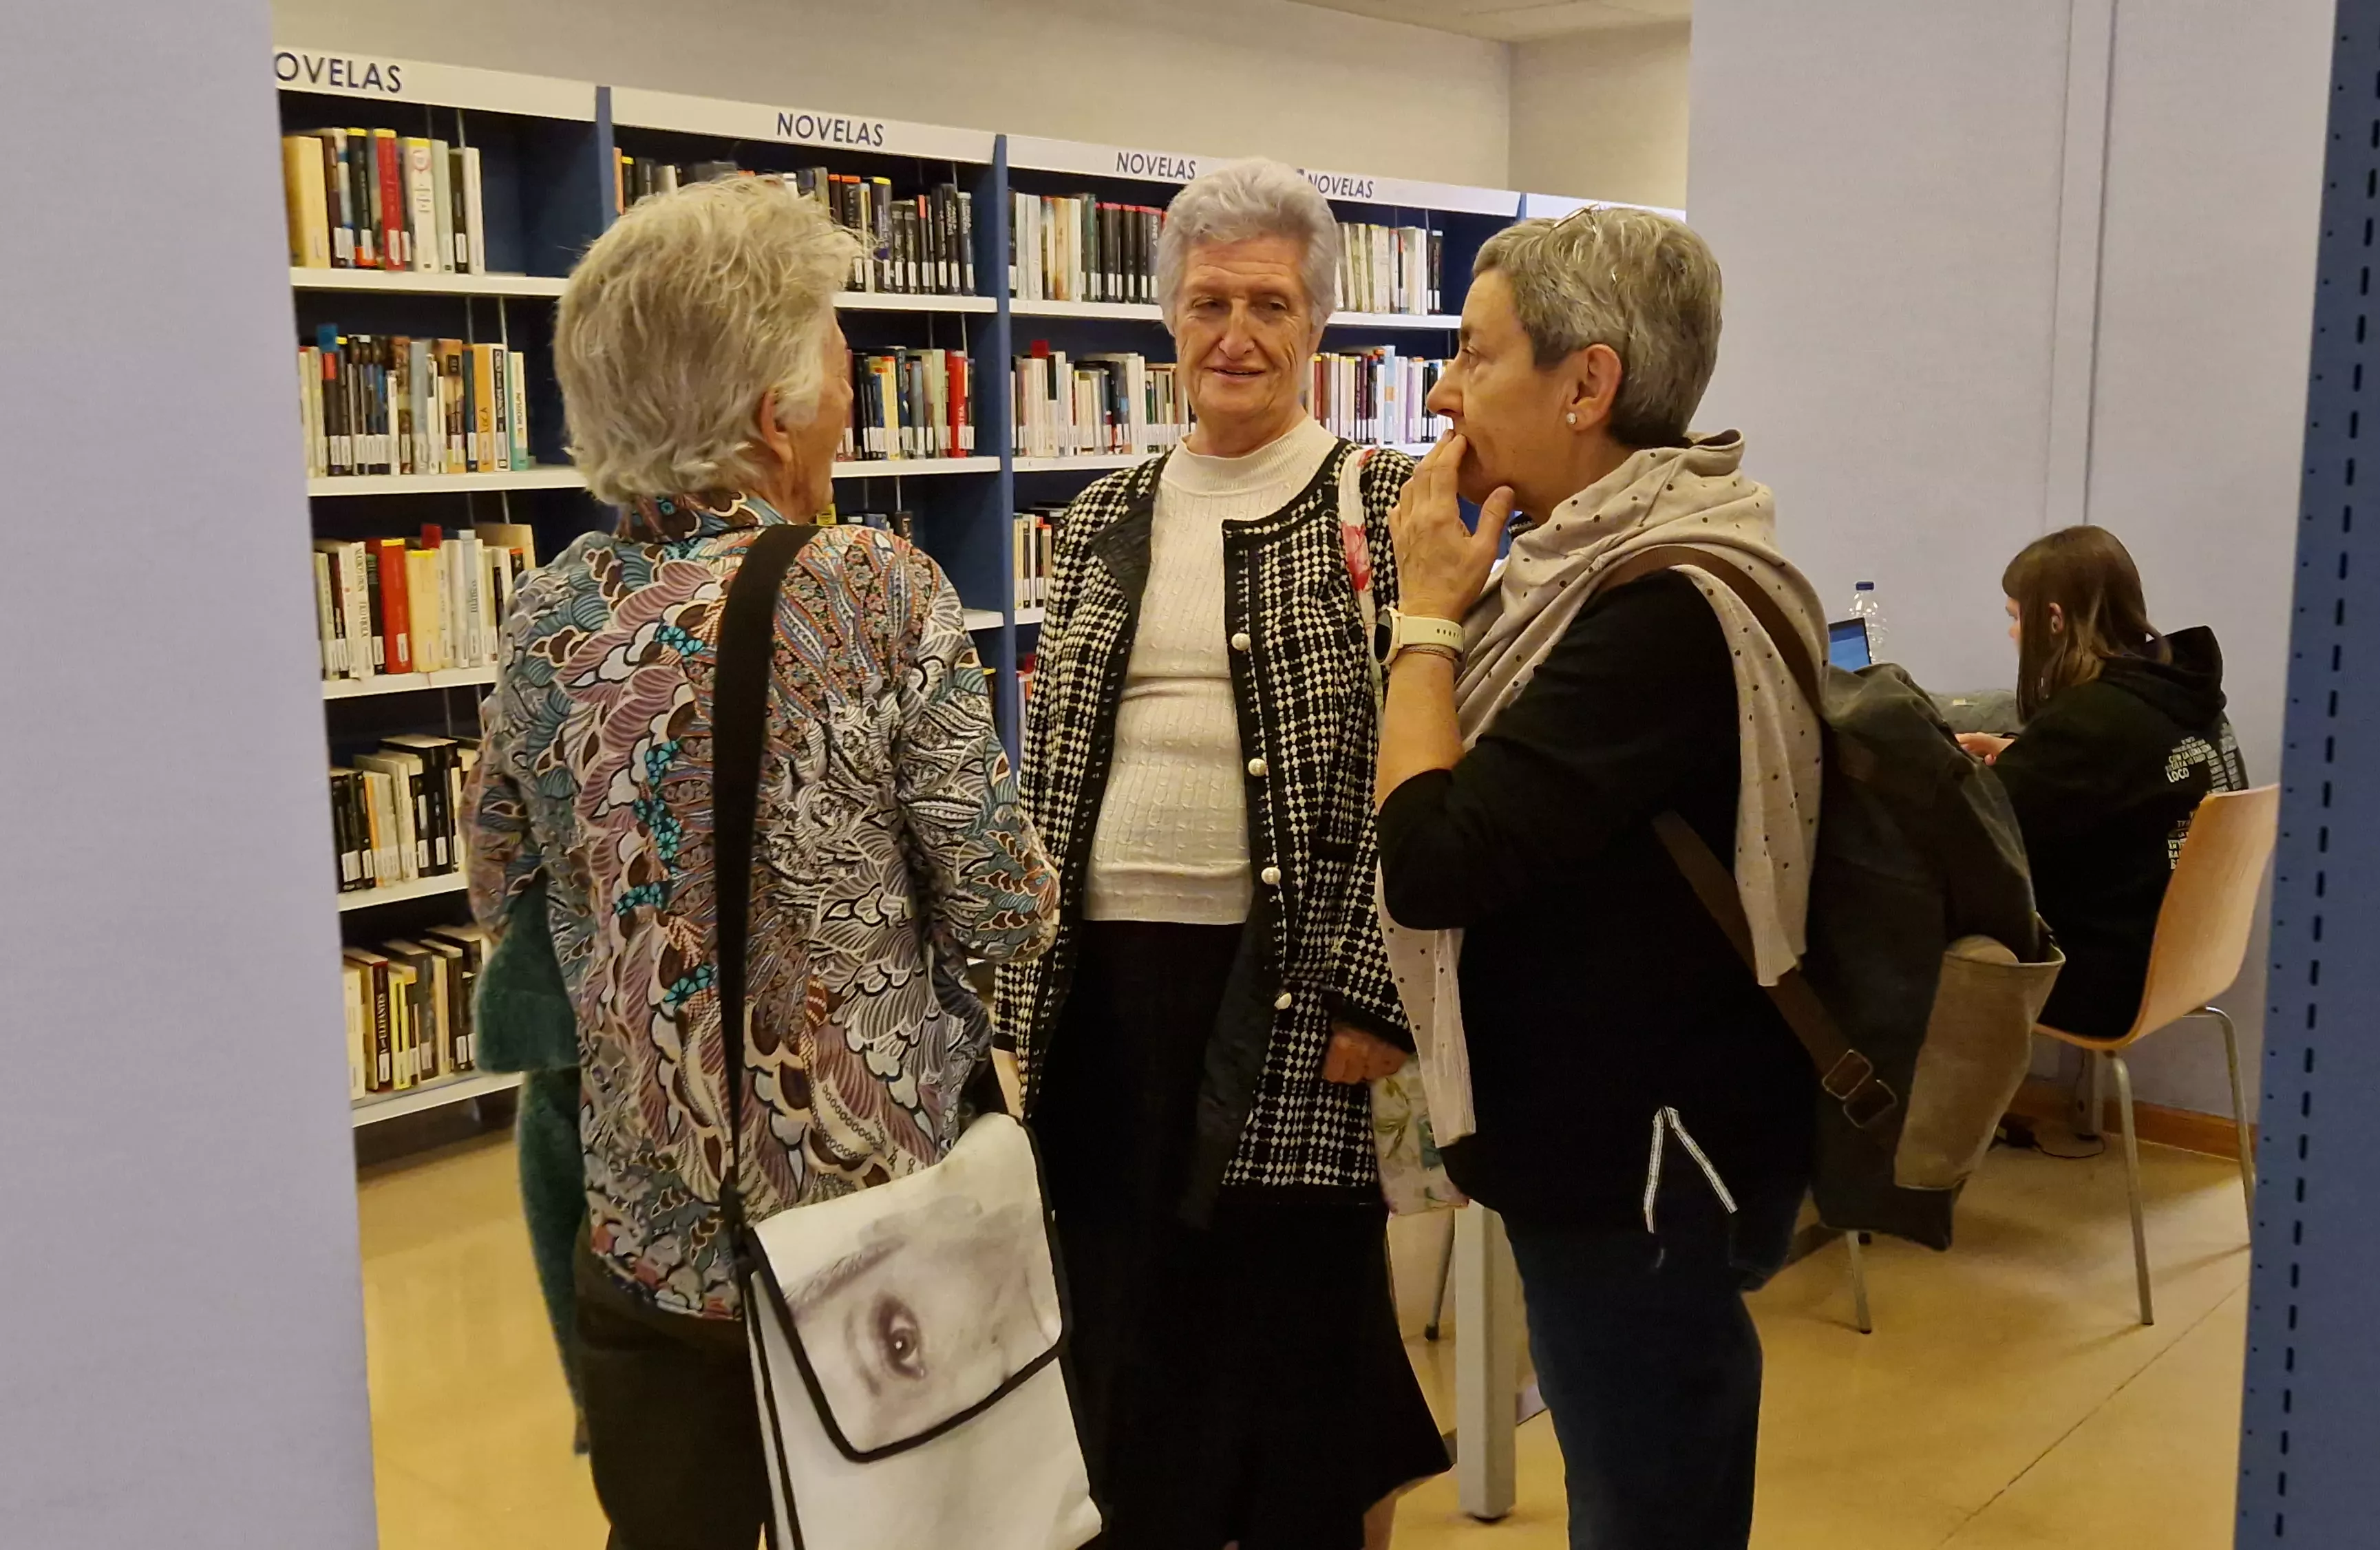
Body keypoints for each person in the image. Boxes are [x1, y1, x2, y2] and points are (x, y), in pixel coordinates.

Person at [463, 175, 1060, 1550]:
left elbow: (504, 880)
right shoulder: (873, 588)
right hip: (868, 1249)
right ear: (768, 408)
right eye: (836, 351)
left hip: (651, 1247)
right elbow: (1001, 902)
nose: (851, 386)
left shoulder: (550, 610)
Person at [992, 158, 1447, 1550]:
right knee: (1122, 1310)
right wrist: (1017, 993)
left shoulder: (1384, 508)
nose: (1234, 333)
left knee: (1294, 1319)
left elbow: (1426, 754)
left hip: (1292, 988)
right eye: (1206, 303)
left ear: (1316, 324)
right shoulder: (1098, 517)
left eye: (1267, 302)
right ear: (1167, 325)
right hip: (1107, 990)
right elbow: (1051, 773)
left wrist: (1377, 988)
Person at [1373, 206, 1825, 1550]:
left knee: (1643, 1503)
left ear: (1587, 384)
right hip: (1641, 1145)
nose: (1444, 391)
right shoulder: (1619, 570)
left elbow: (1430, 854)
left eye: (1474, 352)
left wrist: (1423, 616)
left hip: (1638, 1167)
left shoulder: (1654, 609)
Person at [1956, 526, 2249, 1040]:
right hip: (2186, 959)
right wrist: (2028, 757)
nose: (2012, 634)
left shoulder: (2089, 722)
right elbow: (2124, 783)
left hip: (2103, 981)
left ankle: (1929, 1119)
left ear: (2053, 619)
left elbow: (1985, 841)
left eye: (2015, 617)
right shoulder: (2185, 699)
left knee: (1904, 925)